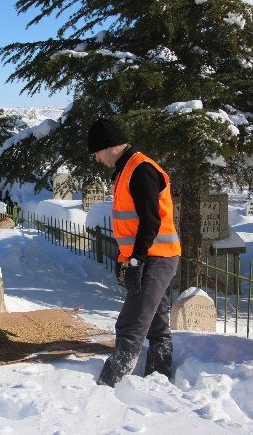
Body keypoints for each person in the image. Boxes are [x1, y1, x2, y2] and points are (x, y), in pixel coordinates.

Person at [87, 118, 181, 387]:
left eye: (97, 151)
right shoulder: (126, 169)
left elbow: (150, 221)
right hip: (151, 255)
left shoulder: (141, 170)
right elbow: (130, 226)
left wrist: (137, 260)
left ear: (111, 146)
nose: (96, 158)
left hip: (157, 256)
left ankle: (110, 384)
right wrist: (124, 259)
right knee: (157, 322)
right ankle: (159, 378)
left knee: (132, 322)